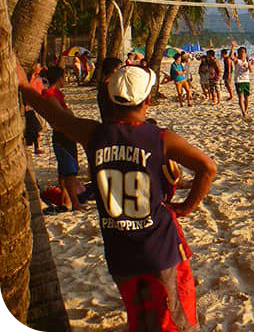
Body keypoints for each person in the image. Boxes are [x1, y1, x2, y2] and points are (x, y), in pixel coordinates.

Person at [18, 63, 216, 330]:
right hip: (160, 250)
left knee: (140, 318)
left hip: (120, 251)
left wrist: (25, 88)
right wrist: (186, 207)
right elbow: (208, 168)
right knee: (174, 321)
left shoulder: (94, 134)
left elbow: (57, 118)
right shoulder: (160, 139)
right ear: (147, 99)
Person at [41, 66, 82, 211]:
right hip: (63, 135)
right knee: (69, 171)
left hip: (64, 134)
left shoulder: (55, 94)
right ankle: (75, 203)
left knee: (65, 171)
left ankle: (67, 201)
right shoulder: (51, 95)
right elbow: (61, 116)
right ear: (60, 78)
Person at [24, 62, 46, 154]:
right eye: (38, 67)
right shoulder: (29, 78)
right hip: (29, 106)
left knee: (37, 127)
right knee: (35, 127)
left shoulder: (38, 78)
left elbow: (42, 91)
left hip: (36, 105)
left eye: (39, 67)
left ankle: (37, 146)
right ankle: (36, 146)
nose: (39, 69)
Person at [97, 57, 124, 122]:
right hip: (115, 122)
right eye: (119, 68)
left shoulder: (104, 84)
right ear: (114, 69)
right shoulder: (109, 86)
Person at [234, 47, 253, 117]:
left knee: (247, 97)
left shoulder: (247, 61)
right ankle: (243, 112)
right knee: (241, 97)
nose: (242, 53)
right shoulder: (237, 61)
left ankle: (246, 110)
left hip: (246, 80)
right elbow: (231, 57)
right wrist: (233, 47)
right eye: (240, 52)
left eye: (243, 52)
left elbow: (251, 70)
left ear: (245, 53)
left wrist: (249, 63)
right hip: (239, 81)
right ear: (238, 53)